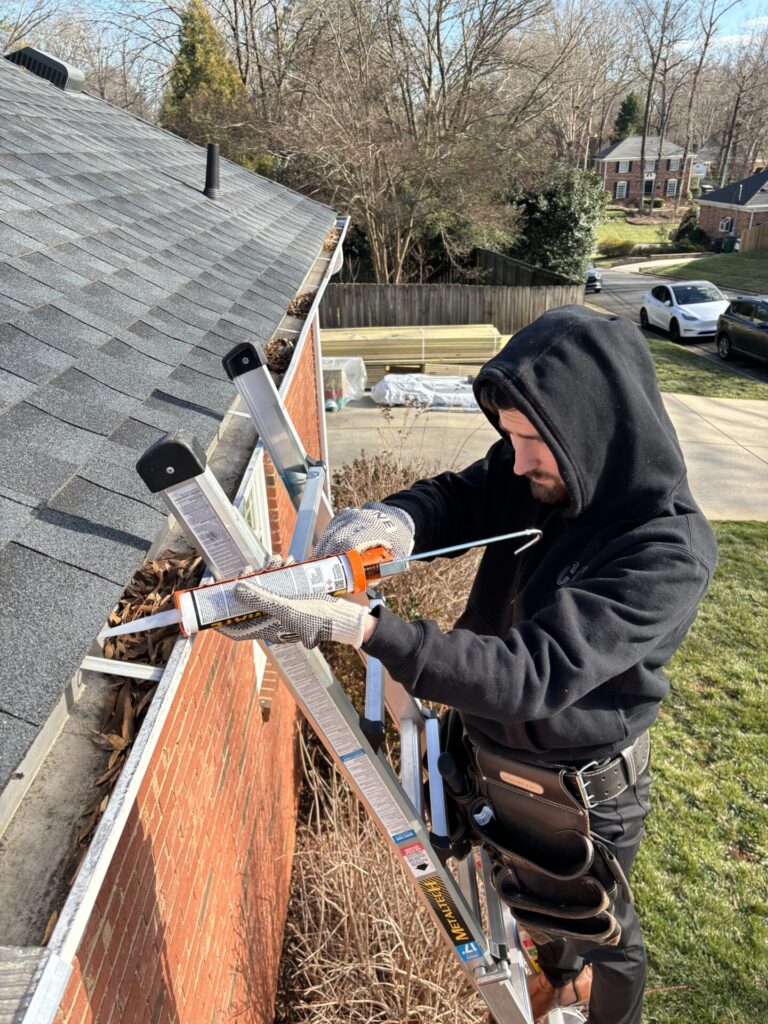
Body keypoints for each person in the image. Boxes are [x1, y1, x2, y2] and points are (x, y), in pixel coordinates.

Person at [221, 305, 717, 1024]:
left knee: (602, 936)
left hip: (582, 790)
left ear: (591, 424)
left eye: (530, 442)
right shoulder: (538, 470)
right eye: (508, 439)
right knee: (534, 919)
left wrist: (367, 629)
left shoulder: (666, 552)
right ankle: (557, 981)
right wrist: (395, 522)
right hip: (489, 752)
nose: (516, 462)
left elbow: (531, 673)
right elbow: (461, 498)